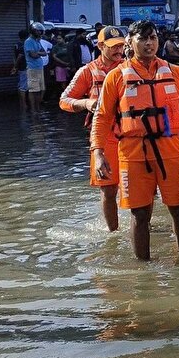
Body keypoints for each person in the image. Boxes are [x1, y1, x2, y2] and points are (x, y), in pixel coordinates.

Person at [90, 20, 179, 261]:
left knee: (178, 208)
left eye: (153, 38)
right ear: (130, 42)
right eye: (143, 39)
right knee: (139, 214)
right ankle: (143, 269)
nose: (149, 43)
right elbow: (102, 116)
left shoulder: (176, 73)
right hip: (133, 153)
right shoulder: (116, 77)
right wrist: (98, 152)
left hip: (170, 148)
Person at [60, 26, 127, 232]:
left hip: (131, 134)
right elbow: (64, 100)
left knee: (141, 186)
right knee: (108, 189)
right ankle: (113, 233)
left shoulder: (129, 67)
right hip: (104, 137)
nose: (118, 50)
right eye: (113, 46)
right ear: (100, 46)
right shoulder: (87, 71)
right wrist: (85, 103)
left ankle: (143, 226)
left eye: (121, 46)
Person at [24, 22, 49, 110]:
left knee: (41, 89)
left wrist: (37, 53)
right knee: (33, 90)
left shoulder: (37, 41)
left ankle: (37, 108)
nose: (40, 33)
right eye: (38, 31)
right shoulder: (29, 41)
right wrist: (39, 53)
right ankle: (33, 109)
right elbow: (33, 55)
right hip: (32, 68)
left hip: (39, 67)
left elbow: (44, 53)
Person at [12, 29, 30, 110]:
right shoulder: (24, 45)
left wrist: (15, 66)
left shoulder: (16, 44)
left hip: (20, 68)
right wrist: (15, 66)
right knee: (23, 87)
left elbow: (14, 56)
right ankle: (24, 104)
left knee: (20, 85)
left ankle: (21, 103)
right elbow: (20, 56)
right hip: (24, 67)